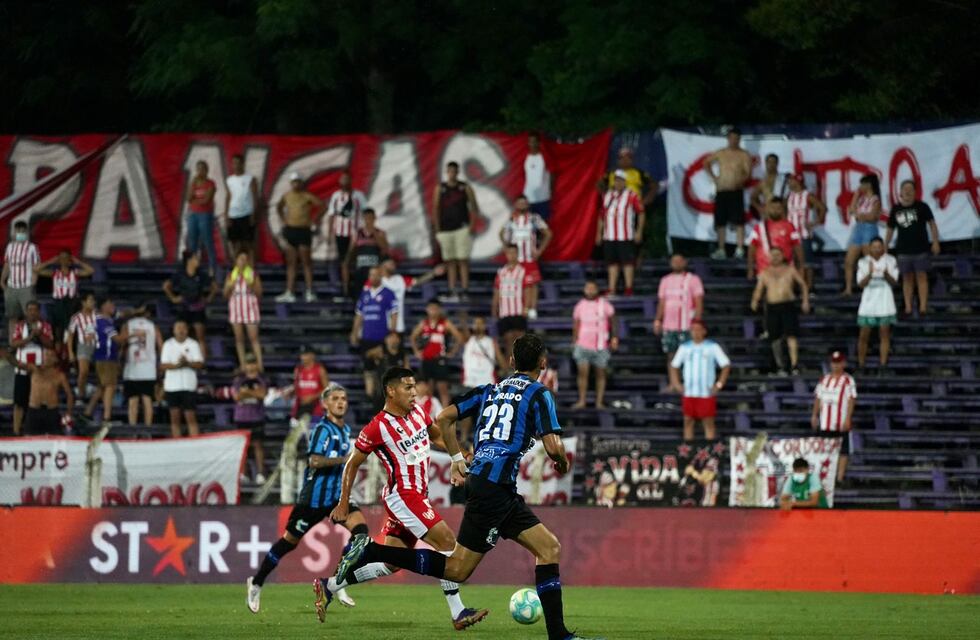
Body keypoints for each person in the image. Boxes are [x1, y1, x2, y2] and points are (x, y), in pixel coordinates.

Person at [333, 336, 603, 640]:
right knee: (456, 570)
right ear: (543, 363)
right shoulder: (540, 393)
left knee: (549, 547)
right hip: (494, 489)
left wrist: (457, 458)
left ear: (512, 362)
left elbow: (444, 417)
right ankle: (371, 550)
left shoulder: (490, 390)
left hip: (493, 486)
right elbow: (554, 447)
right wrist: (562, 463)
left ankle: (560, 635)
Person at [315, 368, 488, 631]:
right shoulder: (377, 427)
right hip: (403, 496)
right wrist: (343, 502)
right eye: (408, 387)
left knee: (392, 564)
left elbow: (437, 434)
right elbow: (352, 464)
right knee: (447, 542)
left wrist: (459, 455)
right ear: (391, 390)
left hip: (417, 495)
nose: (414, 392)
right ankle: (458, 612)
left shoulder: (418, 412)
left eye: (414, 386)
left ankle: (330, 585)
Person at [247, 383, 360, 612]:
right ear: (325, 404)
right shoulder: (322, 430)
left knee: (361, 534)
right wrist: (346, 460)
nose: (341, 402)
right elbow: (314, 461)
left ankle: (337, 582)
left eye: (344, 398)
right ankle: (256, 582)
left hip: (337, 498)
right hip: (313, 500)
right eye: (336, 398)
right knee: (289, 542)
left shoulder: (346, 430)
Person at [884, 180, 941, 317]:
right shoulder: (896, 209)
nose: (908, 192)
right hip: (903, 250)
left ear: (915, 192)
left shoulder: (922, 207)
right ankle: (908, 307)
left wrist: (935, 242)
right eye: (905, 189)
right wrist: (885, 244)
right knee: (907, 278)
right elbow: (890, 229)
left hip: (921, 248)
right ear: (900, 192)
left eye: (910, 189)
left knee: (922, 277)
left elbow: (932, 224)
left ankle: (922, 307)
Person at [750, 247, 811, 375]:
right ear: (769, 257)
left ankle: (794, 365)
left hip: (788, 305)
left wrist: (805, 301)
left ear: (783, 256)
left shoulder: (790, 270)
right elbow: (759, 289)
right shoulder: (765, 273)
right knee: (775, 338)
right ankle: (780, 366)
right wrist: (755, 300)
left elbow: (803, 285)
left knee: (791, 336)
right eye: (773, 255)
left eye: (778, 254)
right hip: (773, 307)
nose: (775, 257)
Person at [669, 319, 731, 441]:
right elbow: (674, 365)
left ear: (704, 331)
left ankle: (709, 451)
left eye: (698, 330)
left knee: (708, 422)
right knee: (688, 421)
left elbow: (726, 365)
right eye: (693, 330)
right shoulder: (685, 347)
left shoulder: (712, 347)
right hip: (689, 392)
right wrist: (676, 383)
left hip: (706, 392)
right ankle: (688, 453)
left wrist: (719, 384)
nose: (695, 332)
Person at [432, 161, 479, 300]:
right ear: (447, 172)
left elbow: (474, 207)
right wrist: (437, 229)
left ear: (458, 172)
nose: (452, 174)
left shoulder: (464, 187)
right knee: (450, 261)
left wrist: (472, 225)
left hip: (461, 228)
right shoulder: (440, 188)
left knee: (462, 260)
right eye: (449, 171)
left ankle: (465, 290)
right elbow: (435, 208)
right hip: (445, 230)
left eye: (454, 171)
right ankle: (452, 290)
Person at [351, 266, 399, 400]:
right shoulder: (364, 294)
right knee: (367, 367)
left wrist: (393, 331)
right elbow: (359, 315)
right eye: (371, 275)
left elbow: (394, 313)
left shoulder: (388, 293)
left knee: (383, 366)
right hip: (367, 337)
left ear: (380, 276)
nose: (373, 277)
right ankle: (369, 396)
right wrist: (354, 332)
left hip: (382, 336)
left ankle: (384, 396)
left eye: (376, 275)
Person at [500, 194, 552, 318]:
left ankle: (532, 309)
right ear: (516, 205)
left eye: (524, 202)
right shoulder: (512, 219)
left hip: (529, 257)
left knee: (532, 284)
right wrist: (507, 249)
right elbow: (502, 234)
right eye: (520, 203)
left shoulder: (534, 219)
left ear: (527, 204)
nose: (522, 205)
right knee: (518, 284)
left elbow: (548, 233)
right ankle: (520, 309)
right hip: (516, 260)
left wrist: (539, 251)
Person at [275, 172, 324, 303]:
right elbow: (279, 207)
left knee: (306, 262)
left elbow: (322, 206)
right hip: (291, 230)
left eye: (298, 181)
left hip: (303, 230)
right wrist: (284, 220)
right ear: (291, 183)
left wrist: (315, 220)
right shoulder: (286, 196)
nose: (296, 184)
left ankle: (309, 291)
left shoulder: (306, 196)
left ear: (301, 183)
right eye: (294, 182)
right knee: (291, 263)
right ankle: (290, 292)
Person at [704, 128, 752, 259]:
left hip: (736, 189)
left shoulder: (744, 155)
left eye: (736, 138)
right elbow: (706, 162)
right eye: (731, 138)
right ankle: (721, 249)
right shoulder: (721, 153)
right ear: (728, 139)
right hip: (722, 189)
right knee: (720, 221)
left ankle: (740, 248)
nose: (733, 141)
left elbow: (748, 173)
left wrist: (740, 180)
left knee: (739, 221)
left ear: (739, 140)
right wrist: (714, 177)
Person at [596, 170, 645, 296]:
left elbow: (641, 213)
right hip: (609, 235)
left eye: (620, 180)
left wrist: (639, 231)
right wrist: (599, 233)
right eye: (616, 180)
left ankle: (628, 287)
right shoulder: (608, 196)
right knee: (612, 263)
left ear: (624, 182)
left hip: (625, 235)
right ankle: (612, 288)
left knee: (627, 262)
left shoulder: (632, 195)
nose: (618, 183)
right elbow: (602, 216)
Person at [812, 351, 857, 483]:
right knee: (824, 450)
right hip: (825, 422)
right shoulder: (824, 380)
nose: (836, 365)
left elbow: (851, 399)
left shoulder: (848, 380)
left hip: (840, 421)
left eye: (838, 363)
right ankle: (825, 478)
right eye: (833, 363)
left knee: (843, 451)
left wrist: (848, 418)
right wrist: (814, 415)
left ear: (843, 363)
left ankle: (839, 478)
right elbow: (818, 398)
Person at [571, 281, 617, 410]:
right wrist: (574, 340)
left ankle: (599, 402)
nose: (590, 291)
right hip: (582, 344)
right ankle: (582, 400)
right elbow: (576, 324)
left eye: (593, 288)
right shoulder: (580, 305)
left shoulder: (605, 304)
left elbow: (613, 320)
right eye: (588, 288)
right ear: (584, 290)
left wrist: (614, 337)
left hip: (601, 344)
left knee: (600, 374)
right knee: (582, 373)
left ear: (597, 290)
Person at [9, 300, 53, 435]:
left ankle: (37, 432)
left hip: (40, 371)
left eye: (35, 310)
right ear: (26, 312)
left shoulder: (45, 326)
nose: (32, 312)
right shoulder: (19, 326)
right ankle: (16, 432)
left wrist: (39, 335)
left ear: (39, 312)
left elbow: (50, 344)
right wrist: (30, 337)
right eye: (30, 310)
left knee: (39, 402)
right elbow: (14, 344)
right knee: (19, 403)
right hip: (22, 369)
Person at [410, 298, 464, 408]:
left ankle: (444, 416)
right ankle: (428, 416)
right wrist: (416, 351)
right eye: (431, 308)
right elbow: (412, 336)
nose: (433, 311)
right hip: (427, 360)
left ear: (439, 310)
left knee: (442, 389)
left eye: (435, 309)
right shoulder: (424, 324)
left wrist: (452, 352)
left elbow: (459, 337)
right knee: (427, 390)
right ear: (427, 310)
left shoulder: (445, 323)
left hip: (440, 360)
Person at [163, 250, 217, 359]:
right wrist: (173, 298)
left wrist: (209, 298)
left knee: (200, 336)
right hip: (185, 307)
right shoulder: (180, 273)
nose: (198, 261)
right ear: (189, 260)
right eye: (196, 258)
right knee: (181, 332)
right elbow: (166, 286)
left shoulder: (201, 274)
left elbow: (214, 286)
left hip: (198, 307)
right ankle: (180, 358)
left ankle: (202, 363)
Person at [855, 237, 899, 373]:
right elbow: (861, 284)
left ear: (883, 248)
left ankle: (883, 366)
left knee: (884, 335)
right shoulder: (863, 262)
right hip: (868, 304)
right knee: (863, 336)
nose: (876, 249)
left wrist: (885, 274)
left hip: (885, 303)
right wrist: (869, 273)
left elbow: (895, 283)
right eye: (874, 247)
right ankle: (861, 365)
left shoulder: (891, 260)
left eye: (879, 246)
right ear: (869, 248)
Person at [654, 253, 705, 369]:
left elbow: (698, 302)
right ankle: (673, 383)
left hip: (686, 325)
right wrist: (658, 320)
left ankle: (687, 381)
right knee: (671, 355)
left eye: (679, 260)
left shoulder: (693, 279)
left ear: (684, 262)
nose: (676, 263)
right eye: (674, 261)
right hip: (669, 325)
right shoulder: (665, 280)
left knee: (689, 355)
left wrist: (697, 322)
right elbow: (662, 302)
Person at [33, 249, 94, 343]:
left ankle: (70, 342)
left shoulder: (75, 272)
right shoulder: (54, 273)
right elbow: (36, 270)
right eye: (61, 258)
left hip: (72, 303)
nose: (64, 260)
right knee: (58, 327)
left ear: (70, 260)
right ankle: (59, 342)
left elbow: (91, 270)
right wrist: (50, 261)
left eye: (66, 258)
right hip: (58, 303)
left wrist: (78, 262)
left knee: (72, 326)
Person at [160, 319, 204, 437]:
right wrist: (177, 365)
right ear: (174, 330)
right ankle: (177, 442)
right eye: (178, 328)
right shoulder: (168, 344)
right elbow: (163, 365)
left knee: (191, 417)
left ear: (187, 330)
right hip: (172, 387)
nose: (181, 330)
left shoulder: (193, 344)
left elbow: (200, 364)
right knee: (174, 418)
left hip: (188, 386)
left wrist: (187, 364)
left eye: (183, 327)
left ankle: (194, 441)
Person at [85, 298, 126, 425]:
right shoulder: (104, 322)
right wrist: (132, 333)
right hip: (106, 358)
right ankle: (107, 418)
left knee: (101, 388)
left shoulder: (102, 320)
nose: (113, 305)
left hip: (102, 358)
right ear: (103, 307)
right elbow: (118, 339)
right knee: (110, 386)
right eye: (110, 303)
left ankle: (87, 413)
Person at [326, 170, 368, 296]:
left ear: (350, 180)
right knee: (343, 261)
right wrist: (329, 234)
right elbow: (331, 215)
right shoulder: (336, 196)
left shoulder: (358, 196)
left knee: (352, 259)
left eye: (346, 179)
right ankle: (346, 289)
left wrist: (365, 231)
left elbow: (366, 213)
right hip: (340, 233)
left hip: (354, 233)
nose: (344, 182)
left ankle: (356, 285)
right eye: (342, 179)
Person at [379, 257, 444, 335]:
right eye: (391, 264)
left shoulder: (399, 280)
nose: (394, 266)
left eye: (394, 264)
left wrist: (433, 273)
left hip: (398, 325)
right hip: (380, 325)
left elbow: (417, 281)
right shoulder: (375, 281)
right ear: (383, 266)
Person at [785, 174, 827, 292]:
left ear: (797, 181)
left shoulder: (807, 195)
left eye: (790, 181)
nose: (788, 183)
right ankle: (796, 287)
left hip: (803, 235)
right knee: (793, 262)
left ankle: (810, 287)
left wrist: (815, 223)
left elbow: (822, 208)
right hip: (791, 236)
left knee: (807, 263)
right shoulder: (789, 196)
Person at [122, 302, 162, 426]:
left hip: (132, 368)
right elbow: (161, 345)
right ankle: (148, 431)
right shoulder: (153, 326)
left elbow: (122, 343)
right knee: (147, 401)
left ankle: (132, 430)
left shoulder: (127, 325)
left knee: (133, 402)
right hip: (148, 369)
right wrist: (160, 362)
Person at [842, 174, 882, 297]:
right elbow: (851, 210)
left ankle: (872, 287)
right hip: (859, 229)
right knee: (849, 260)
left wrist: (860, 215)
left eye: (862, 184)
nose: (860, 187)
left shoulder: (876, 199)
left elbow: (873, 216)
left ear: (868, 185)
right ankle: (848, 289)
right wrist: (856, 195)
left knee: (869, 260)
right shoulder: (861, 199)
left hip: (869, 229)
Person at [224, 250, 263, 371]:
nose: (243, 261)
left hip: (250, 307)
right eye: (241, 259)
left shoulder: (252, 275)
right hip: (236, 307)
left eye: (245, 259)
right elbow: (225, 294)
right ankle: (243, 365)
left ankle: (260, 365)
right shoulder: (231, 275)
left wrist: (250, 284)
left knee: (254, 338)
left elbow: (259, 293)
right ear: (236, 261)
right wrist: (229, 286)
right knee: (239, 338)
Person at [747, 198, 804, 280]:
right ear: (768, 209)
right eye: (773, 208)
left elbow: (797, 247)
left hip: (785, 270)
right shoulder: (759, 227)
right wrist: (750, 269)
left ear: (782, 210)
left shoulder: (790, 226)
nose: (775, 210)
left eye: (778, 208)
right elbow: (751, 248)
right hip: (764, 270)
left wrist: (801, 268)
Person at [492, 245, 532, 361]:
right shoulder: (501, 272)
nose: (511, 255)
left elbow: (528, 290)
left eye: (514, 253)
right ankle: (508, 368)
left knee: (520, 341)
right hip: (505, 311)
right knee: (508, 340)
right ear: (506, 254)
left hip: (518, 310)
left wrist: (526, 308)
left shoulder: (522, 271)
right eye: (509, 253)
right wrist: (494, 308)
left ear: (517, 254)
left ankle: (520, 367)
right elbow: (496, 291)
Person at [233, 353, 268, 484]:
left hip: (256, 417)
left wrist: (246, 392)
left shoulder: (261, 379)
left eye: (253, 363)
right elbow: (237, 397)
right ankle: (244, 473)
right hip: (241, 417)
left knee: (258, 445)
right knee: (243, 447)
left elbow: (262, 394)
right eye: (248, 363)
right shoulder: (239, 380)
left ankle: (260, 473)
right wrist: (254, 392)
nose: (251, 366)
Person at [3, 220, 40, 338]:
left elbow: (36, 267)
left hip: (26, 287)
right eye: (18, 231)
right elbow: (7, 265)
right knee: (12, 317)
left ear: (27, 232)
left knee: (31, 317)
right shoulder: (9, 247)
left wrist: (32, 285)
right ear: (14, 232)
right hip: (11, 287)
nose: (20, 233)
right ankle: (12, 344)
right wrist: (1, 280)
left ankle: (33, 341)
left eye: (22, 231)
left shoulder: (32, 248)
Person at [24, 347, 73, 435]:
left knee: (53, 442)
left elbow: (69, 394)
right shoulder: (34, 369)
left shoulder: (60, 375)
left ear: (56, 359)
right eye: (46, 355)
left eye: (51, 355)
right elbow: (18, 364)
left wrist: (68, 412)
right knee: (29, 441)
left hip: (51, 411)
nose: (47, 358)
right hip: (34, 410)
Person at [345, 209, 389, 301]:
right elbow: (351, 250)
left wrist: (374, 233)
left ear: (374, 218)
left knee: (374, 293)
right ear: (363, 219)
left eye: (371, 218)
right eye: (366, 218)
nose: (369, 221)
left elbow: (384, 248)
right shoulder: (358, 233)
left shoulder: (380, 233)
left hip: (374, 270)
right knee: (359, 293)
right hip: (360, 268)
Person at [224, 153, 261, 262]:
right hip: (233, 215)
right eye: (233, 163)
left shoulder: (250, 178)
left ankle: (251, 272)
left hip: (246, 215)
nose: (235, 165)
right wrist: (227, 215)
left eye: (238, 163)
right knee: (235, 244)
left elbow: (255, 197)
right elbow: (228, 197)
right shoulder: (229, 180)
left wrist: (253, 215)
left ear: (243, 164)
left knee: (249, 244)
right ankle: (237, 271)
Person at [185, 160, 218, 270]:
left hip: (205, 214)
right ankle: (192, 268)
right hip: (193, 214)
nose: (200, 171)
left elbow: (206, 200)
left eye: (203, 169)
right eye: (198, 169)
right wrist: (195, 196)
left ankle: (212, 268)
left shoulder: (210, 184)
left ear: (207, 171)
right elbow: (188, 199)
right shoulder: (193, 183)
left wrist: (195, 199)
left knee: (208, 241)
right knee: (192, 242)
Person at [66, 292, 98, 401]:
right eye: (90, 300)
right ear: (83, 303)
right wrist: (70, 352)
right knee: (83, 371)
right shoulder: (76, 317)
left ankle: (92, 393)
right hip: (83, 345)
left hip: (97, 345)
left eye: (93, 300)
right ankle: (80, 395)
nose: (93, 303)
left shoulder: (98, 315)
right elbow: (70, 336)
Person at [461, 317, 504, 389]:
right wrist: (463, 321)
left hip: (487, 379)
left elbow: (500, 358)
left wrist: (504, 369)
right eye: (476, 323)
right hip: (470, 379)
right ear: (472, 326)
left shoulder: (491, 342)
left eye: (480, 323)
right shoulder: (468, 340)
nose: (478, 325)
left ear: (484, 326)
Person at [292, 345, 329, 421]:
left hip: (316, 410)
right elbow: (296, 387)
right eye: (301, 355)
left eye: (305, 355)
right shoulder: (298, 370)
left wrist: (312, 397)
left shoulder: (320, 369)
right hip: (300, 409)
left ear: (312, 355)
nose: (302, 357)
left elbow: (327, 389)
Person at [523, 133, 553, 219]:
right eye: (530, 142)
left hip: (543, 198)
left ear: (539, 143)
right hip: (528, 199)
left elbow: (552, 174)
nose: (532, 144)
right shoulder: (525, 157)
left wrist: (551, 191)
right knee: (529, 227)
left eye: (534, 142)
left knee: (543, 228)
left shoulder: (545, 156)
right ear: (528, 143)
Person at [748, 153, 787, 220]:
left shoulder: (783, 179)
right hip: (767, 214)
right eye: (769, 162)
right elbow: (752, 198)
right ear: (766, 163)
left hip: (781, 213)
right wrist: (759, 208)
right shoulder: (762, 182)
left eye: (773, 162)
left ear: (777, 163)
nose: (771, 164)